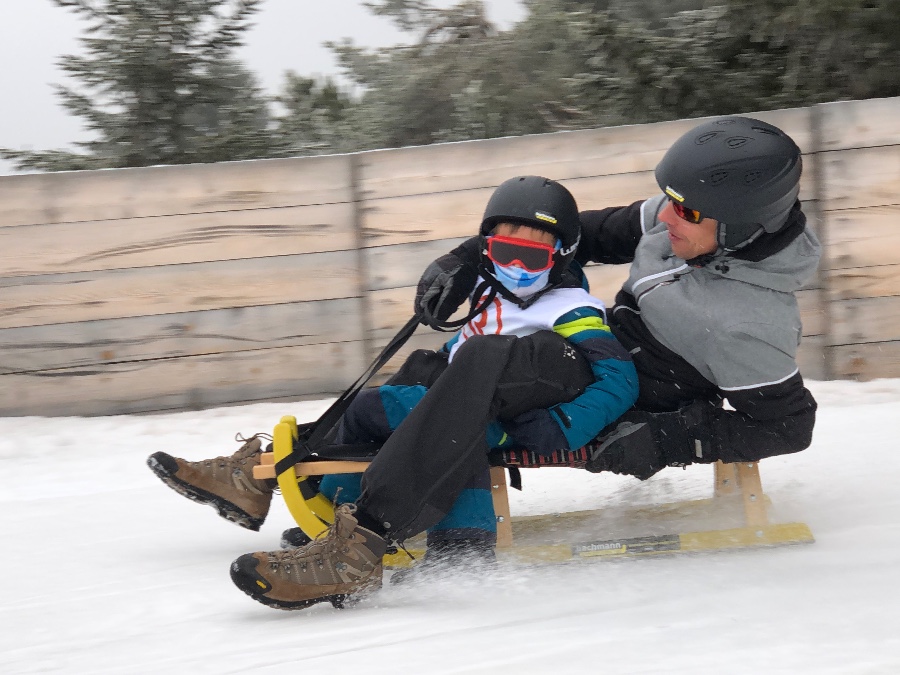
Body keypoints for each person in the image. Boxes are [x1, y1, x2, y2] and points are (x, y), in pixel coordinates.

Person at [148, 176, 639, 610]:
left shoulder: (570, 307)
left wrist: (565, 425)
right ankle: (305, 489)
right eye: (499, 252)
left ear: (561, 258)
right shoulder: (491, 298)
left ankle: (362, 544)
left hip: (530, 398)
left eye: (530, 256)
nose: (514, 266)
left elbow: (619, 379)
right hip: (471, 397)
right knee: (394, 388)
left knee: (457, 385)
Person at [415, 115, 821, 484]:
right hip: (597, 344)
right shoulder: (691, 221)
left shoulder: (749, 327)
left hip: (606, 395)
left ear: (741, 226)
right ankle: (397, 419)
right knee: (536, 280)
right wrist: (469, 259)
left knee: (474, 383)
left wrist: (667, 439)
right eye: (671, 201)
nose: (665, 217)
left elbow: (790, 427)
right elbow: (586, 235)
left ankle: (403, 477)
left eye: (686, 211)